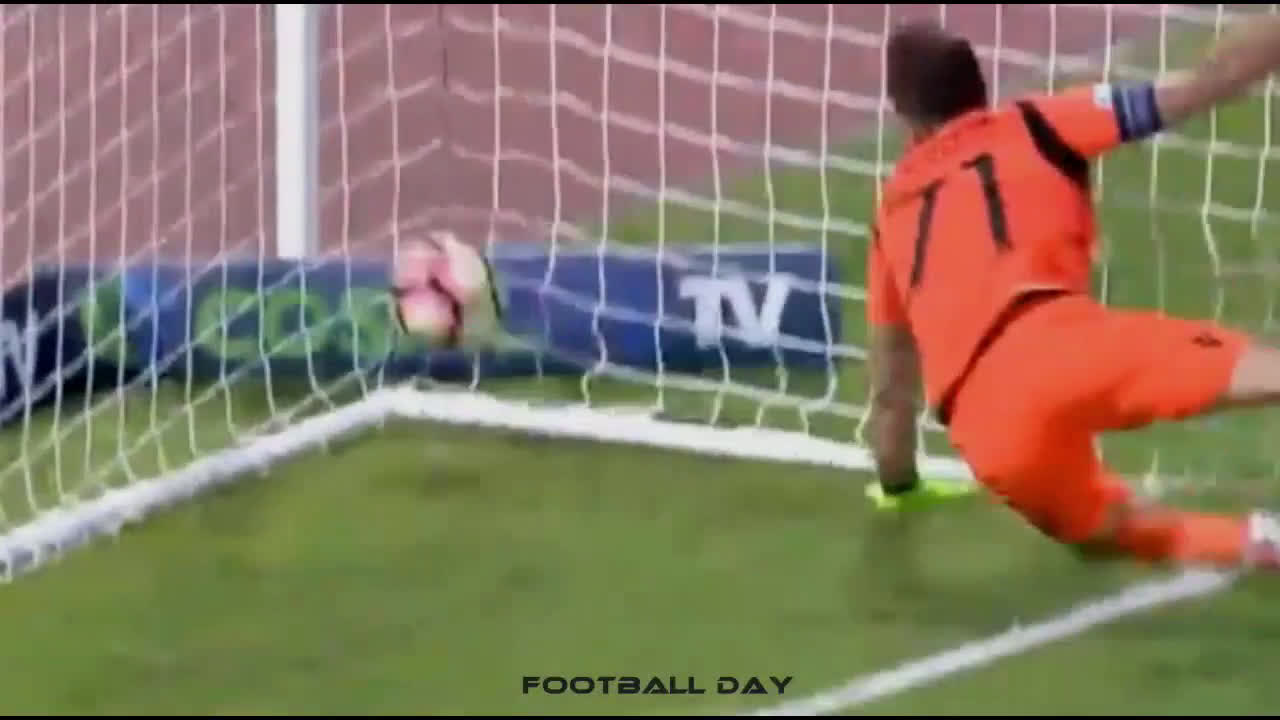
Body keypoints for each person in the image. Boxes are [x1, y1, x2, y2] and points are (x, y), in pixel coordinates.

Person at [865, 15, 1280, 569]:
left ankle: (1257, 541)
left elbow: (891, 392)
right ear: (981, 87)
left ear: (906, 118)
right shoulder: (1037, 122)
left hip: (987, 422)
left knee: (1109, 532)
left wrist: (898, 485)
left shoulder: (890, 213)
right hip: (1064, 344)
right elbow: (1206, 83)